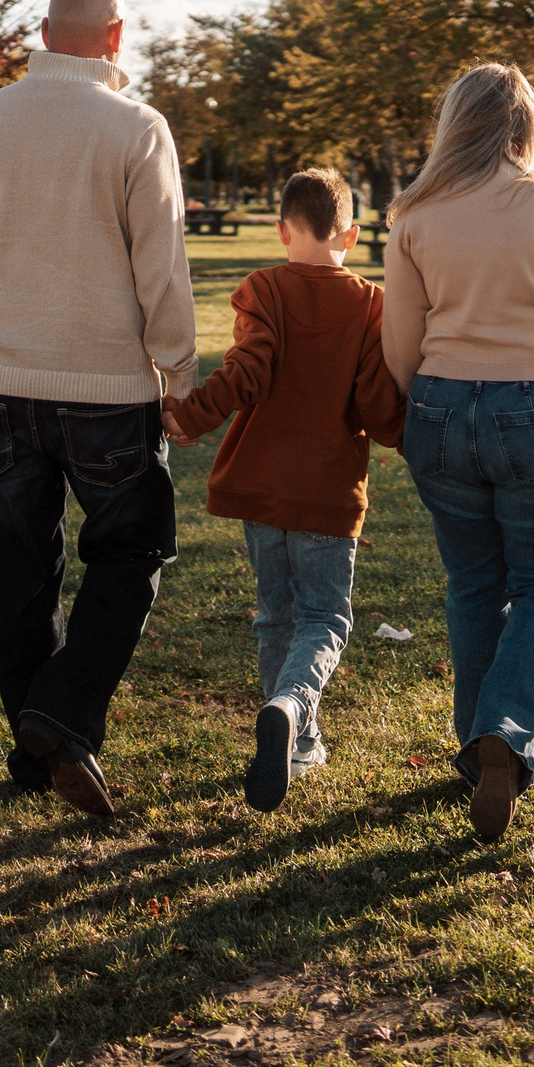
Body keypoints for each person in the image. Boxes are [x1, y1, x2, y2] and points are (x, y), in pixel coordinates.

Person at [0, 0, 197, 819]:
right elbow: (160, 265)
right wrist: (177, 374)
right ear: (117, 35)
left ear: (40, 29)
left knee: (17, 574)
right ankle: (59, 717)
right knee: (132, 555)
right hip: (110, 391)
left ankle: (36, 752)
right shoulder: (137, 127)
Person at [382, 64, 534, 844]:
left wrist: (432, 404)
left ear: (455, 122)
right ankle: (507, 734)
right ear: (526, 125)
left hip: (443, 406)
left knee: (474, 582)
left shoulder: (415, 215)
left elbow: (400, 346)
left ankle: (476, 743)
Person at [159, 168, 406, 811]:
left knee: (277, 616)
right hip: (327, 490)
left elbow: (248, 370)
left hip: (262, 484)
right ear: (351, 233)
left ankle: (294, 736)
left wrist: (190, 415)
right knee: (324, 619)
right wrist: (423, 439)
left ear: (281, 229)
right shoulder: (371, 303)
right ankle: (293, 713)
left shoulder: (263, 288)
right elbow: (379, 408)